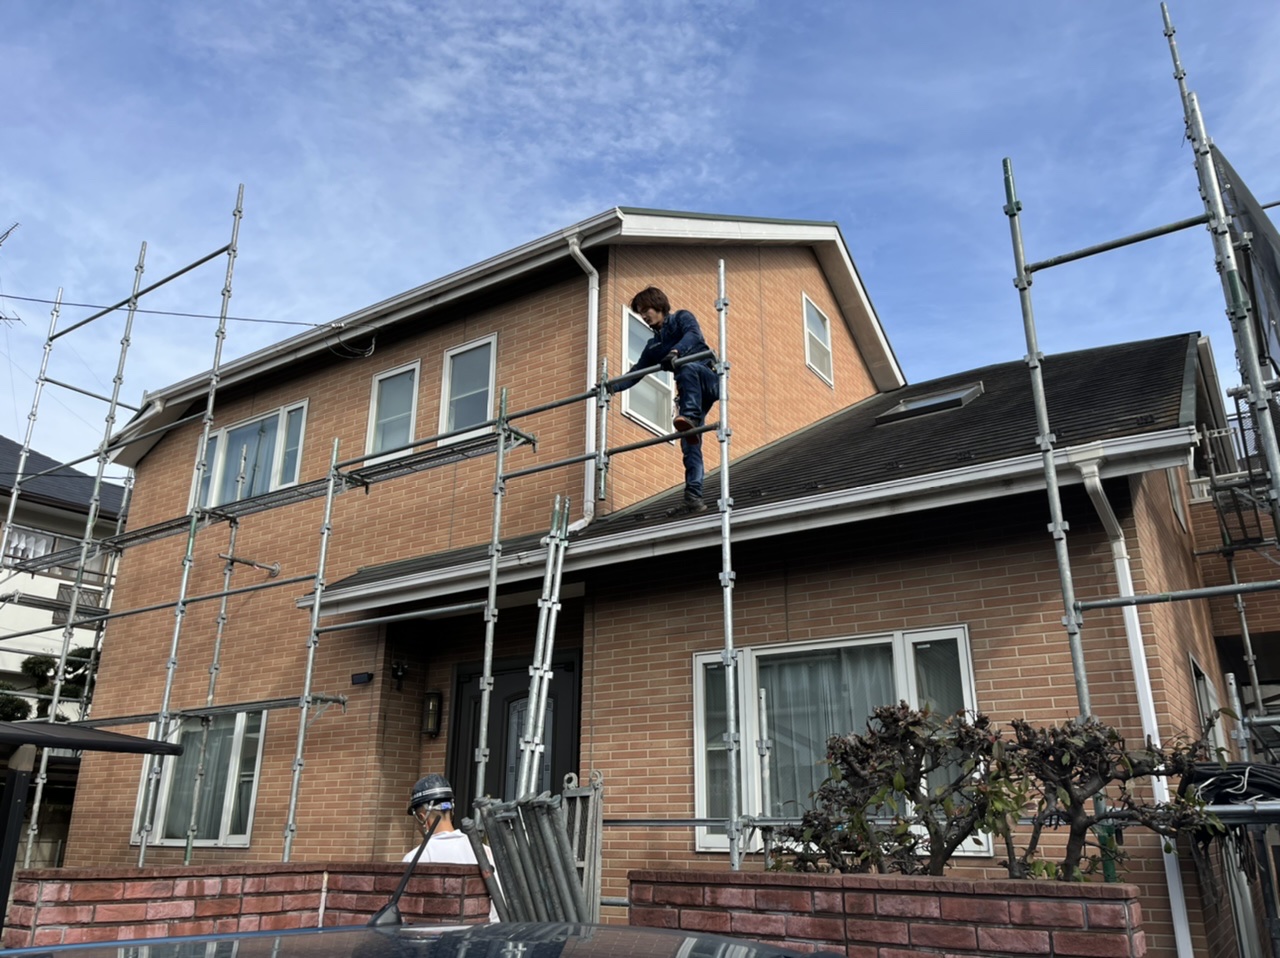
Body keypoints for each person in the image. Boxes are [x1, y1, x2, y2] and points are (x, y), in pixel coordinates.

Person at [612, 286, 719, 513]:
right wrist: (610, 387)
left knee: (687, 367)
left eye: (645, 309)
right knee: (690, 443)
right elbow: (637, 372)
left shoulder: (681, 318)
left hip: (707, 378)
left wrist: (676, 353)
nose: (643, 316)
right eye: (639, 312)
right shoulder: (653, 346)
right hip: (690, 392)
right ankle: (693, 496)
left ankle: (688, 416)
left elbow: (693, 335)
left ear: (658, 306)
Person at [403, 773, 499, 921]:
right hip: (478, 936)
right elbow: (498, 906)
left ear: (422, 817)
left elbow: (405, 911)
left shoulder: (415, 858)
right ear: (451, 810)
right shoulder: (483, 851)